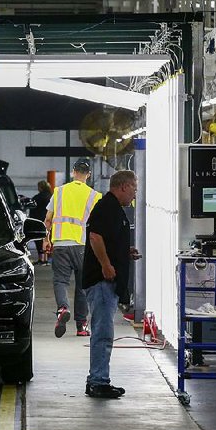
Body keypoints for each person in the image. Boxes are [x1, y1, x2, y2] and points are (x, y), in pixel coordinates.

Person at [82, 170, 140, 399]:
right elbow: (95, 237)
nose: (135, 193)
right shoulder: (108, 207)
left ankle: (97, 380)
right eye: (134, 188)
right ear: (123, 186)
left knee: (103, 332)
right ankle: (98, 382)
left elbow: (107, 239)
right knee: (103, 333)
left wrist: (123, 253)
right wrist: (106, 265)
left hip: (107, 282)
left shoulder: (114, 209)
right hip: (101, 281)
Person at [42, 159, 102, 338]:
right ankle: (81, 326)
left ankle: (62, 308)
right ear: (89, 175)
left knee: (60, 280)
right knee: (83, 286)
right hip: (83, 246)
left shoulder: (59, 192)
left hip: (60, 243)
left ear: (73, 171)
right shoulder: (95, 196)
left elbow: (48, 219)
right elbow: (98, 225)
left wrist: (46, 240)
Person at [29, 180, 52, 265]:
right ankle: (46, 259)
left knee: (39, 240)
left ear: (41, 187)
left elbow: (32, 208)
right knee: (46, 239)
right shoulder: (51, 196)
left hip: (38, 221)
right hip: (48, 221)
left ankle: (41, 259)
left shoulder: (37, 197)